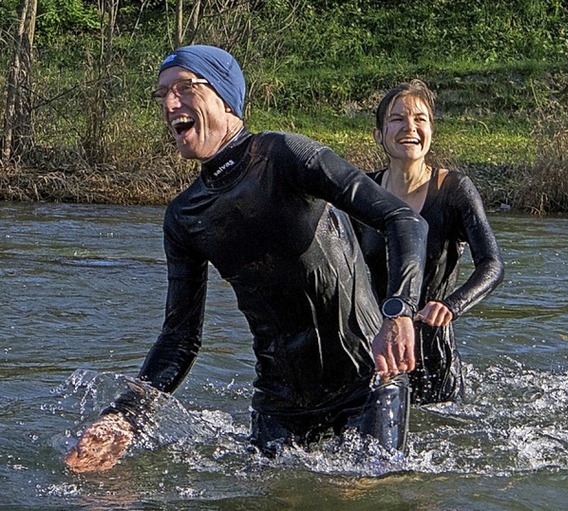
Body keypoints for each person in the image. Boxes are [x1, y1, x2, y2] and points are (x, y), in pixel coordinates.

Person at [63, 46, 428, 473]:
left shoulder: (286, 156)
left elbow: (404, 221)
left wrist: (400, 311)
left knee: (372, 493)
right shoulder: (185, 216)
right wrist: (124, 417)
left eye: (184, 88)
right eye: (162, 94)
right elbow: (180, 339)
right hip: (280, 402)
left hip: (368, 376)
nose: (169, 104)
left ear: (224, 97)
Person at [355, 79, 504, 405]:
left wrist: (452, 305)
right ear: (379, 134)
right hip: (375, 349)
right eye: (397, 119)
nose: (410, 127)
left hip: (435, 351)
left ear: (431, 131)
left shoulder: (455, 190)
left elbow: (492, 264)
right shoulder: (361, 192)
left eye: (420, 119)